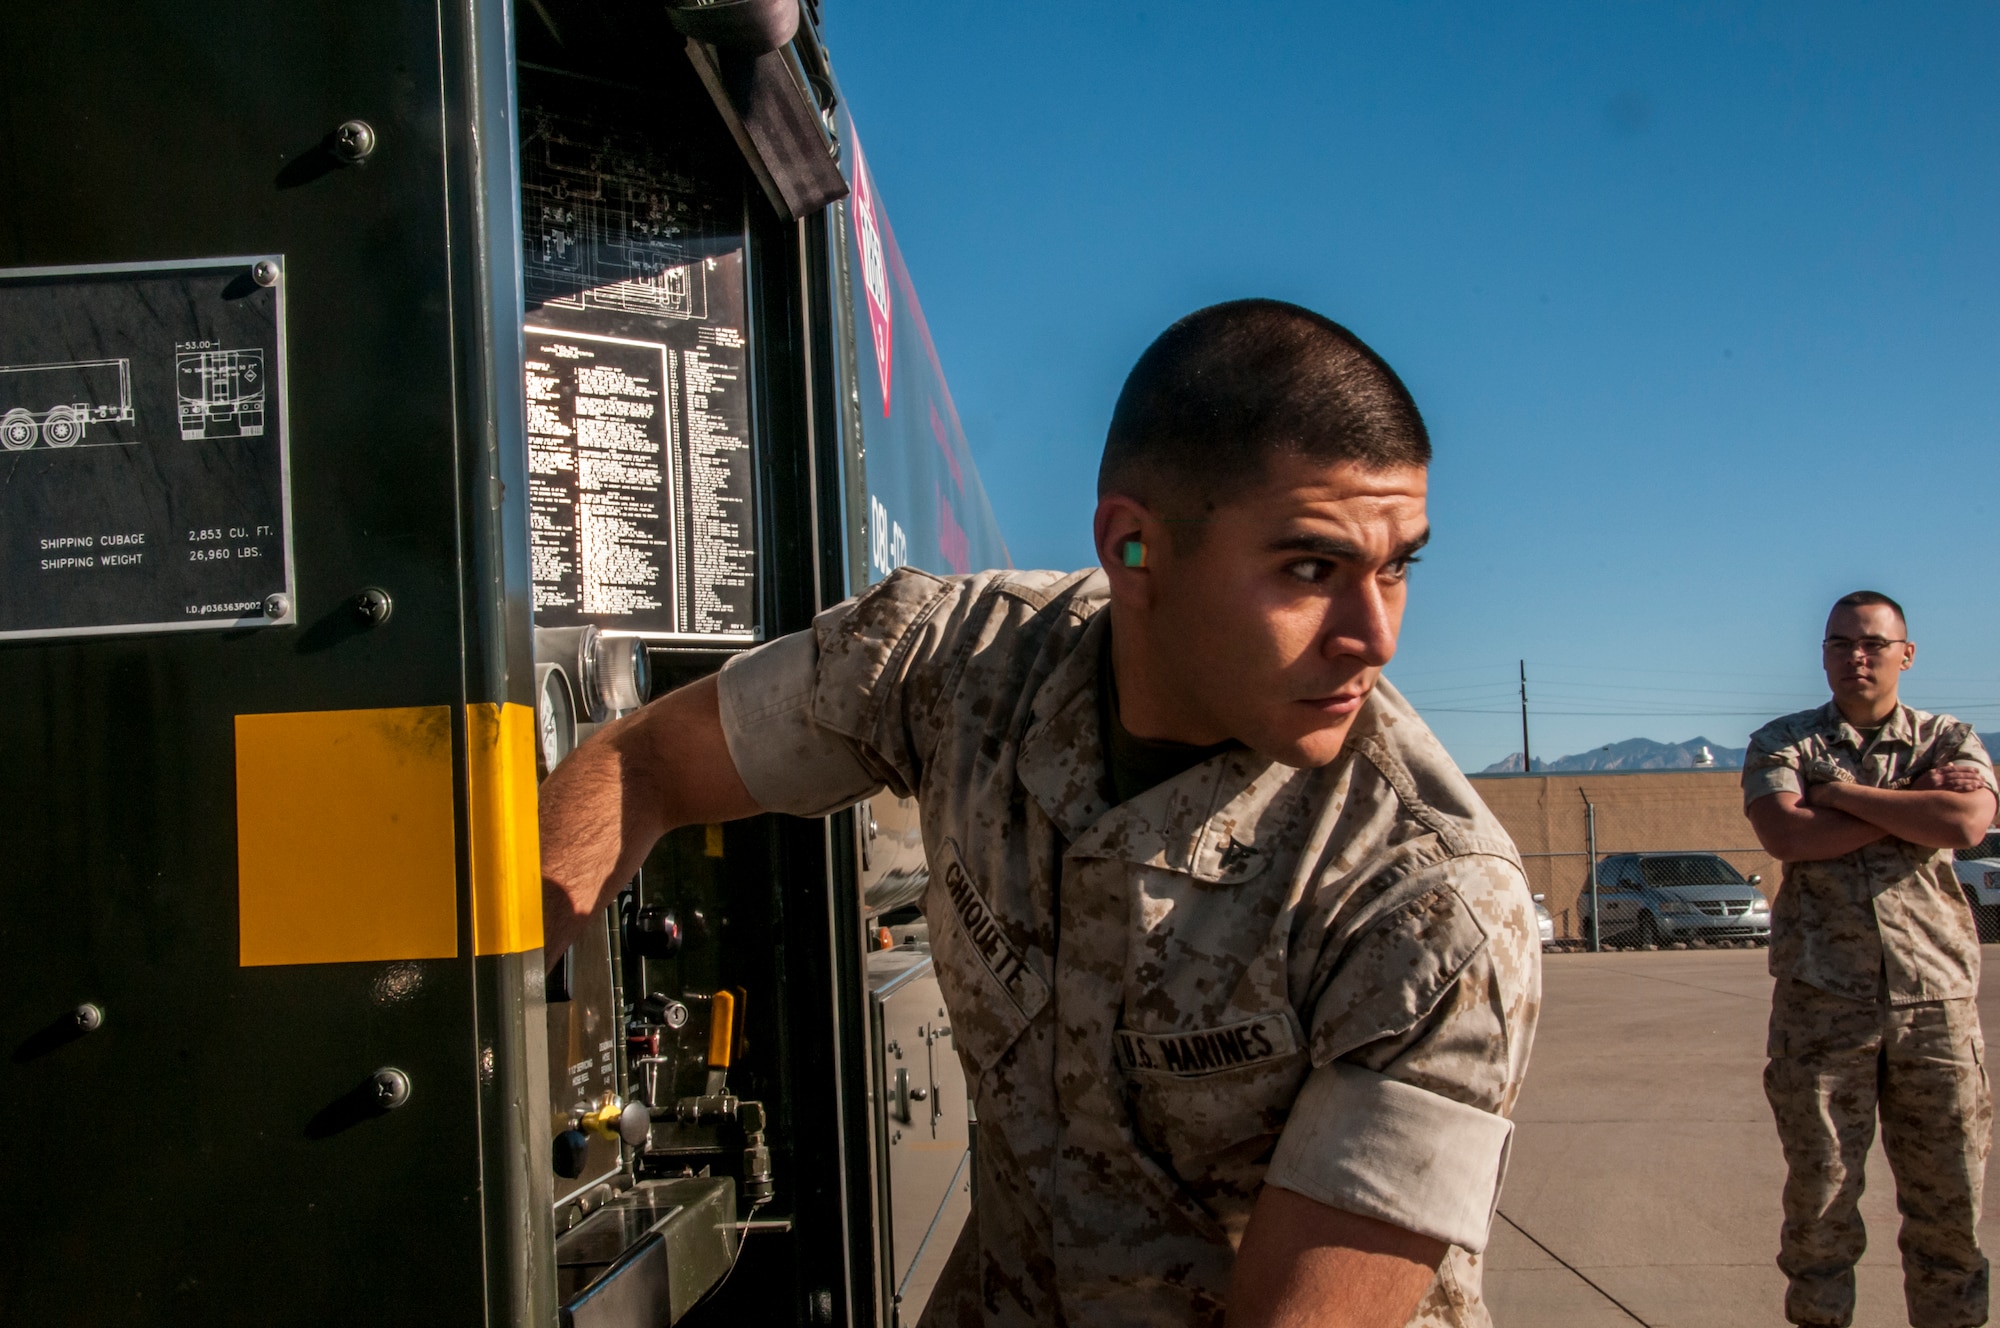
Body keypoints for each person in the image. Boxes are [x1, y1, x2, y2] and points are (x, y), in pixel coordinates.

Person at [540, 300, 1541, 1328]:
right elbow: (645, 761)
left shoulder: (1429, 905)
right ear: (1133, 547)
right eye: (1308, 569)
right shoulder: (957, 665)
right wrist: (509, 997)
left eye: (1396, 566)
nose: (1371, 635)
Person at [1744, 591, 1999, 1328]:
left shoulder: (1948, 738)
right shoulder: (1782, 744)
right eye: (1839, 644)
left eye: (1873, 644)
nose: (1856, 656)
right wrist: (1906, 805)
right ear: (1823, 653)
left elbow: (1965, 821)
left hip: (1936, 1007)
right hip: (1822, 1006)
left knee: (1950, 1207)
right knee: (1821, 1206)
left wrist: (1846, 797)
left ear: (1905, 654)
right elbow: (1787, 837)